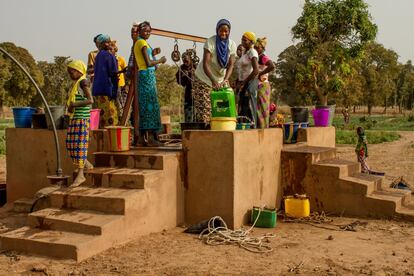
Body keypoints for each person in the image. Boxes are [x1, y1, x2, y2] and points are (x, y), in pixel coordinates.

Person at [193, 19, 237, 124]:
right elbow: (205, 64)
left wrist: (225, 80)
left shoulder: (232, 45)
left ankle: (221, 132)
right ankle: (206, 135)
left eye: (226, 31)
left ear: (229, 31)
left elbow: (231, 65)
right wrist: (213, 80)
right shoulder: (210, 42)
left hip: (220, 79)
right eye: (221, 31)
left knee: (224, 108)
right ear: (217, 30)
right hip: (204, 79)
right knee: (206, 112)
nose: (224, 33)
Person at [134, 21, 167, 146]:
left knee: (145, 107)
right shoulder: (142, 43)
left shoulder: (141, 43)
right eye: (145, 31)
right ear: (140, 31)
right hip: (147, 75)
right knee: (151, 107)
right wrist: (161, 60)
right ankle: (152, 139)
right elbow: (148, 63)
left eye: (149, 31)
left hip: (144, 76)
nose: (148, 33)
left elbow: (145, 58)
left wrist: (153, 53)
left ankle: (142, 139)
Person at [66, 60, 94, 187]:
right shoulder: (77, 83)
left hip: (82, 119)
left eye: (71, 71)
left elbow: (90, 100)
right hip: (75, 118)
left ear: (78, 71)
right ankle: (86, 164)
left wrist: (74, 104)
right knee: (70, 144)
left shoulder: (83, 82)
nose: (70, 74)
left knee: (79, 146)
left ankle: (81, 174)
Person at [92, 34, 119, 128]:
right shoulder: (109, 56)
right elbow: (113, 74)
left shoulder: (98, 56)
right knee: (111, 116)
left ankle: (104, 139)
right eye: (106, 42)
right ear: (101, 44)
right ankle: (112, 139)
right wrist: (115, 91)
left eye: (108, 41)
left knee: (102, 116)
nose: (108, 44)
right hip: (107, 90)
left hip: (98, 91)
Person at [237, 32, 259, 127]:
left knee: (250, 104)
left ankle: (253, 127)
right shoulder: (244, 52)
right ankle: (244, 127)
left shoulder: (252, 52)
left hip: (251, 82)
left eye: (244, 40)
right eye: (242, 39)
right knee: (243, 106)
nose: (242, 41)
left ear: (251, 42)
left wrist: (245, 82)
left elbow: (256, 70)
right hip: (243, 82)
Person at [255, 37, 275, 128]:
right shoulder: (257, 57)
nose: (256, 49)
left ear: (262, 49)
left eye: (258, 48)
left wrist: (261, 74)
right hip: (258, 85)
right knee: (258, 108)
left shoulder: (263, 57)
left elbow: (272, 66)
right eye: (255, 47)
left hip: (263, 85)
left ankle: (264, 128)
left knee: (263, 108)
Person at [110, 40, 128, 122]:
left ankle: (123, 119)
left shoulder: (120, 59)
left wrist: (127, 84)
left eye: (112, 49)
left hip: (121, 84)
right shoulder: (108, 60)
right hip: (111, 84)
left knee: (121, 103)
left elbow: (126, 71)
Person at [176, 52, 195, 123]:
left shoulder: (195, 66)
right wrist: (183, 76)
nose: (185, 62)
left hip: (197, 92)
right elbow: (180, 82)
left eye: (186, 60)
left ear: (190, 59)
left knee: (197, 112)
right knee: (188, 112)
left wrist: (191, 73)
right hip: (188, 92)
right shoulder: (182, 68)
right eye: (183, 61)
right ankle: (188, 127)